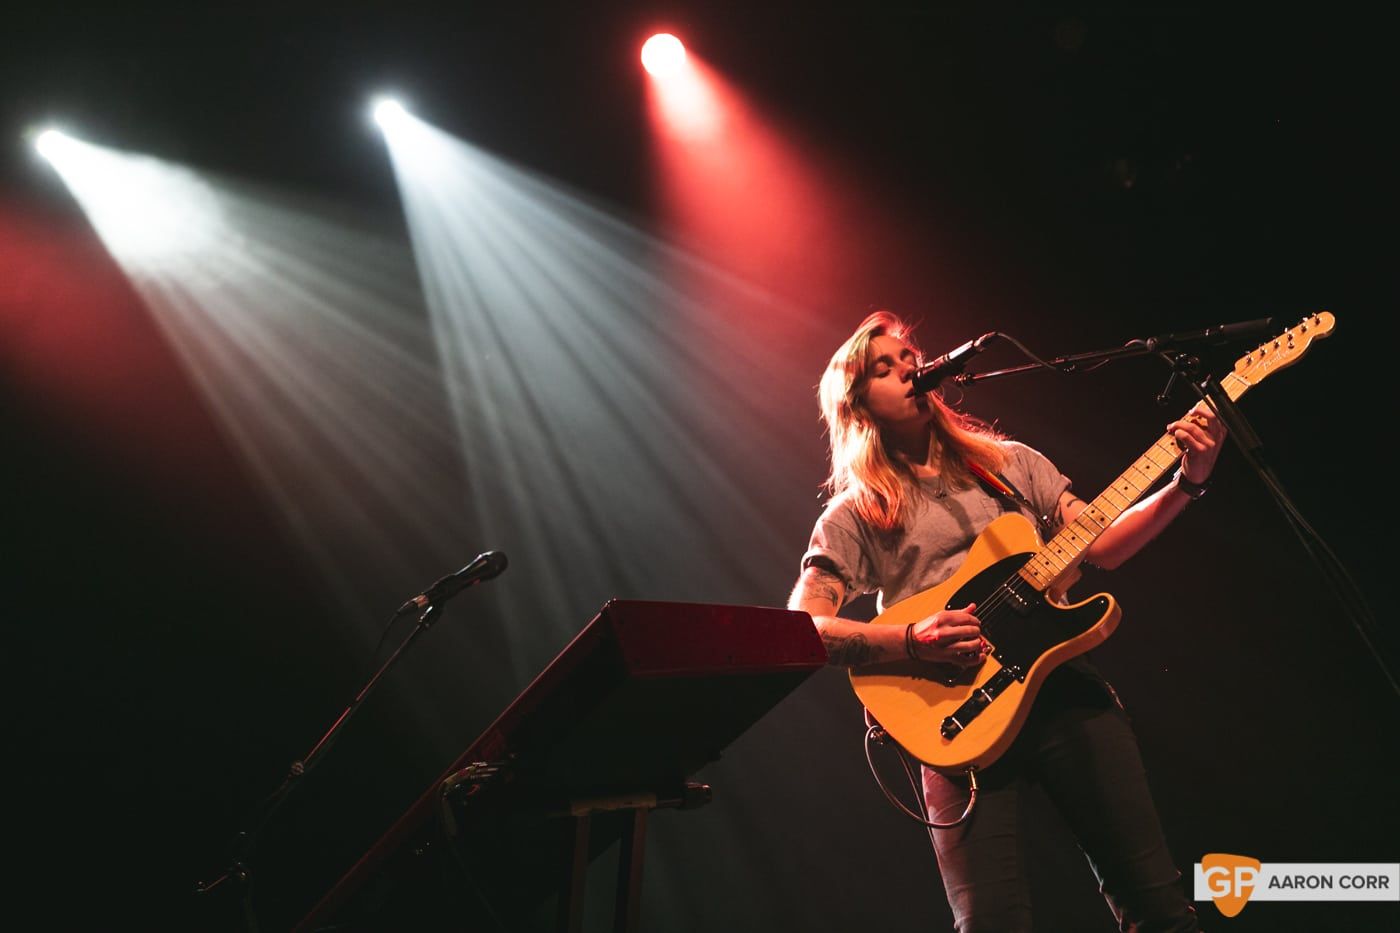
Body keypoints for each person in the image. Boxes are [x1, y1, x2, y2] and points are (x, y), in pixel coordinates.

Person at [788, 310, 1225, 932]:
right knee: (990, 922)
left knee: (1156, 905)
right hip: (952, 723)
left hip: (1063, 693)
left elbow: (1101, 546)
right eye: (884, 367)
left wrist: (1187, 481)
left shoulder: (1010, 462)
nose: (910, 368)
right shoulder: (854, 514)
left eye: (910, 356)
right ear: (856, 405)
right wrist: (913, 638)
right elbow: (805, 629)